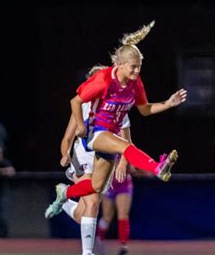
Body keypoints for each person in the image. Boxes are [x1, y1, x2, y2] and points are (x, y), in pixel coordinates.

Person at [46, 21, 187, 220]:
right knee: (126, 147)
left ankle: (64, 194)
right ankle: (157, 167)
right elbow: (75, 101)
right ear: (119, 65)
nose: (137, 71)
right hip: (97, 132)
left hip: (110, 135)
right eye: (133, 67)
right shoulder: (104, 80)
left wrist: (168, 103)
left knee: (97, 186)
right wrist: (80, 125)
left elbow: (145, 110)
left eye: (139, 67)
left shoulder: (135, 83)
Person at [45, 65, 133, 255]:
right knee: (93, 202)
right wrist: (64, 155)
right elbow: (67, 138)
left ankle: (65, 198)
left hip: (104, 162)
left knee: (84, 213)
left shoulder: (120, 108)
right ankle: (87, 254)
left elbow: (128, 143)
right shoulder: (83, 106)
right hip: (83, 157)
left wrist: (123, 163)